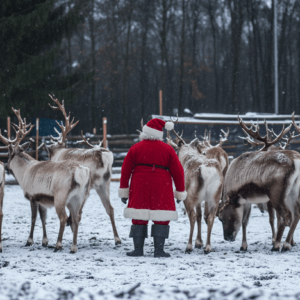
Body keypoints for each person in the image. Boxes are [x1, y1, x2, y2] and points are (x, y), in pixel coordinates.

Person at [118, 118, 187, 258]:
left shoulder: (135, 148)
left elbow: (125, 170)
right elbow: (178, 172)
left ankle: (138, 249)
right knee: (161, 216)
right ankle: (159, 250)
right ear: (159, 133)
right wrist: (180, 192)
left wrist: (124, 191)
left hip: (139, 184)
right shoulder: (167, 149)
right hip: (162, 186)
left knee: (138, 216)